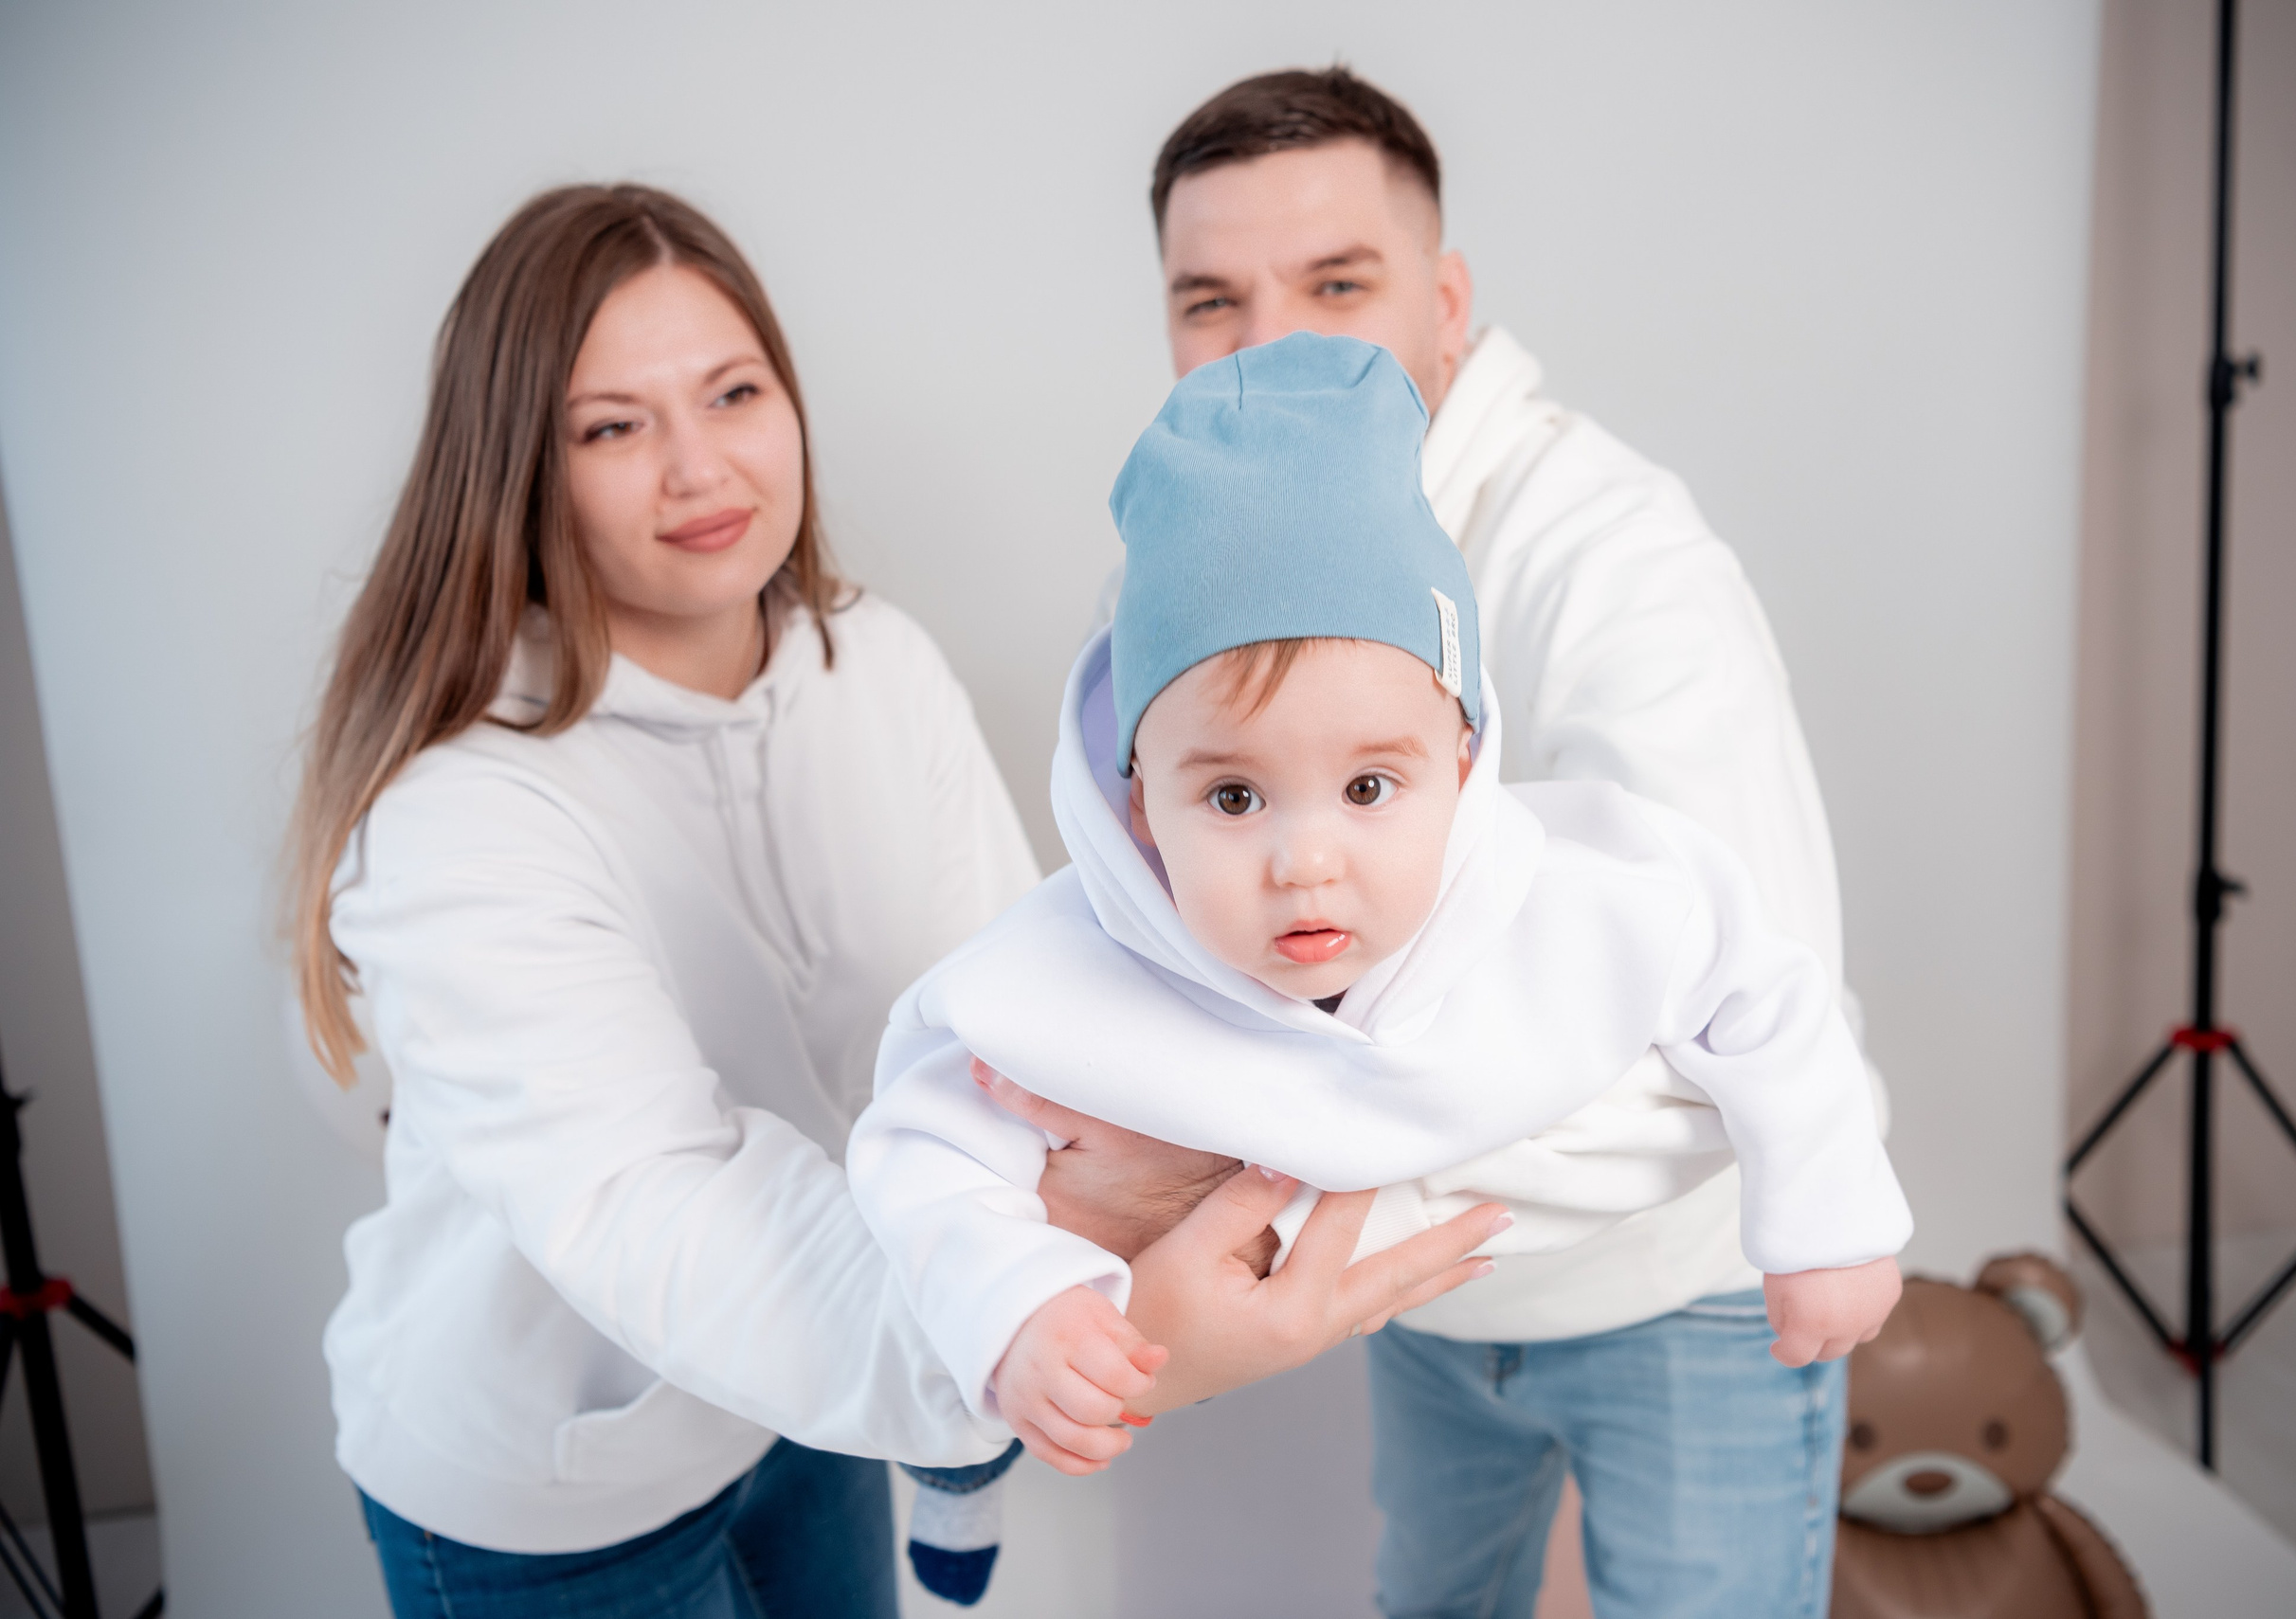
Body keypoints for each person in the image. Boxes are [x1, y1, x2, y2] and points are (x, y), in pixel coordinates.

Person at [287, 183, 1498, 1619]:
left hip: (813, 1404)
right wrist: (1073, 1327)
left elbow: (1017, 1029)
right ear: (517, 471)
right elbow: (654, 1199)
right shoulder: (462, 812)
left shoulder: (875, 664)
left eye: (735, 391)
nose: (698, 466)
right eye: (613, 426)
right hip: (553, 1489)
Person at [1014, 68, 1885, 1617]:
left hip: (1672, 1283)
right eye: (1212, 299)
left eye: (1337, 283)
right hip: (1420, 1305)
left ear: (1448, 300)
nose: (1272, 342)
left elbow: (1741, 1010)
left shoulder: (1620, 558)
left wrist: (1259, 1189)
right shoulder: (1185, 569)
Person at [851, 333, 1907, 1601]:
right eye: (1233, 794)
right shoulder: (1070, 969)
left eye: (1368, 785)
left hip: (1672, 1296)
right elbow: (920, 1140)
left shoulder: (1574, 892)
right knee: (1429, 1583)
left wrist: (1827, 1209)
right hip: (1433, 1331)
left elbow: (1766, 985)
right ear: (1138, 810)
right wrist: (1018, 1307)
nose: (1308, 861)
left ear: (1462, 764)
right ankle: (958, 1479)